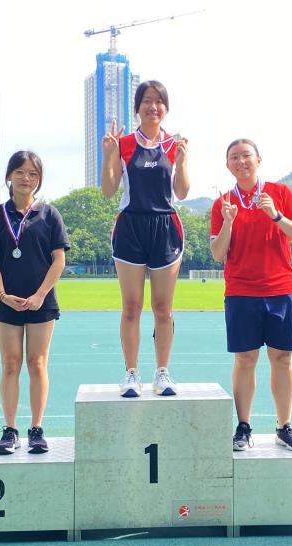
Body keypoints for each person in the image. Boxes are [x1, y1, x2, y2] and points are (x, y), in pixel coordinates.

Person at [210, 139, 292, 452]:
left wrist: (276, 215)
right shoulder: (223, 202)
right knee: (245, 359)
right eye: (234, 158)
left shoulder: (280, 194)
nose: (241, 162)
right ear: (228, 165)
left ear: (259, 160)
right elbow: (217, 253)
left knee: (282, 358)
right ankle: (243, 426)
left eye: (246, 156)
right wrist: (228, 222)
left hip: (280, 288)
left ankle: (284, 426)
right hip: (241, 290)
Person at [100, 80, 190, 397]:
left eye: (159, 101)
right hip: (130, 228)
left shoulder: (174, 144)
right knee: (131, 307)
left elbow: (181, 192)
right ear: (137, 107)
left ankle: (162, 373)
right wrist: (108, 155)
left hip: (165, 228)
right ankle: (131, 374)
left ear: (165, 108)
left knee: (163, 308)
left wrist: (182, 161)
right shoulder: (123, 144)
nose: (153, 106)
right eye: (147, 101)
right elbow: (109, 190)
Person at [0, 150, 70, 455]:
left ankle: (36, 429)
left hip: (41, 301)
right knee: (10, 364)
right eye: (20, 172)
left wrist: (40, 294)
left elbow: (59, 259)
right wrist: (4, 295)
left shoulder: (50, 215)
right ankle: (9, 430)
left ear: (39, 180)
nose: (26, 178)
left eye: (33, 174)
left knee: (37, 363)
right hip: (7, 301)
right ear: (9, 176)